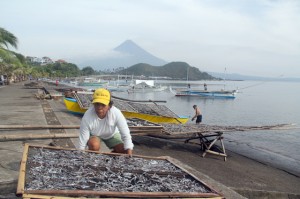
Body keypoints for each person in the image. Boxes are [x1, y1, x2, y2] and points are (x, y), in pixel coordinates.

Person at [78, 88, 134, 156]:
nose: (99, 107)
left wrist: (129, 154)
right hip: (95, 135)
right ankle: (92, 158)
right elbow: (83, 140)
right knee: (94, 145)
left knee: (123, 149)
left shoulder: (116, 113)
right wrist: (80, 154)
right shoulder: (88, 115)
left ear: (109, 106)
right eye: (97, 104)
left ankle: (108, 157)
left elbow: (126, 134)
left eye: (103, 105)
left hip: (111, 134)